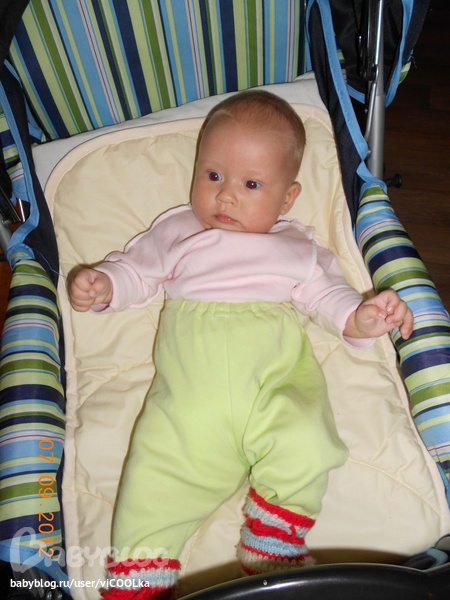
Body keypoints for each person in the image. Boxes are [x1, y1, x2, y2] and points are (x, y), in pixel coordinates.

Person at [69, 90, 413, 599]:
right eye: (213, 176)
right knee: (153, 476)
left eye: (251, 184)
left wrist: (362, 319)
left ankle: (272, 539)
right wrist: (104, 285)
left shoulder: (296, 247)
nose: (226, 197)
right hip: (190, 403)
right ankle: (139, 580)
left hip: (273, 382)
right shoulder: (179, 230)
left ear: (287, 199)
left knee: (309, 440)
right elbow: (136, 271)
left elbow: (331, 299)